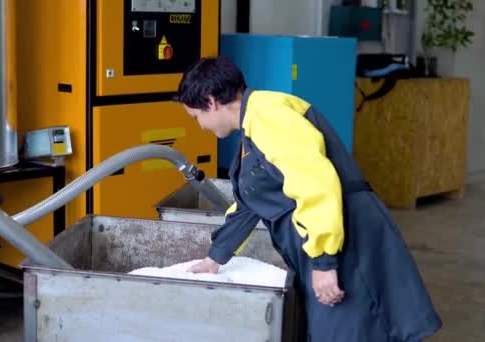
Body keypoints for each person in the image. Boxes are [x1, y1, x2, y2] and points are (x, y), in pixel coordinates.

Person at [172, 56, 442, 342]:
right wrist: (215, 258)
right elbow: (251, 201)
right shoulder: (254, 125)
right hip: (331, 238)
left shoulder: (271, 117)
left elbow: (316, 185)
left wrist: (324, 263)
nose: (200, 126)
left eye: (196, 116)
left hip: (345, 240)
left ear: (210, 101)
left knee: (352, 330)